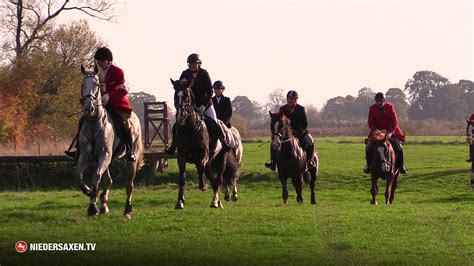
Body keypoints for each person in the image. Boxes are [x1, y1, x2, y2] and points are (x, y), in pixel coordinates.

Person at [65, 47, 136, 162]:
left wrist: (108, 96)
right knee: (83, 121)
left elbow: (123, 90)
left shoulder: (118, 72)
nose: (98, 63)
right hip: (98, 105)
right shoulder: (93, 73)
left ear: (108, 60)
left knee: (125, 123)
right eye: (97, 60)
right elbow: (88, 88)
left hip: (116, 104)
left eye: (100, 61)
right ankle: (78, 150)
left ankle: (130, 151)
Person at [165, 53, 233, 155]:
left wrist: (203, 105)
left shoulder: (204, 73)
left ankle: (224, 142)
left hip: (205, 104)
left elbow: (210, 91)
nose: (192, 65)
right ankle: (173, 145)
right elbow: (180, 88)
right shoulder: (185, 73)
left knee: (214, 122)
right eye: (191, 63)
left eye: (195, 63)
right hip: (190, 105)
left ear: (199, 64)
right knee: (177, 123)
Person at [265, 90, 317, 171]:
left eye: (291, 99)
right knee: (273, 143)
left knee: (310, 141)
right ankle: (273, 162)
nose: (289, 100)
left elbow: (305, 124)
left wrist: (297, 131)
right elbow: (280, 121)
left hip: (299, 132)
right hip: (286, 134)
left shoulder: (301, 109)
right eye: (288, 98)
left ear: (296, 99)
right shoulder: (282, 109)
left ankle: (310, 161)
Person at [364, 92, 406, 174]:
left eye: (380, 101)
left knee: (398, 146)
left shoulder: (390, 107)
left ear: (384, 100)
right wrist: (375, 130)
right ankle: (368, 166)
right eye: (377, 101)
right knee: (369, 146)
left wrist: (390, 132)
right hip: (377, 133)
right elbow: (370, 122)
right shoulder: (372, 108)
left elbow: (394, 122)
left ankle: (401, 166)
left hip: (391, 132)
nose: (379, 103)